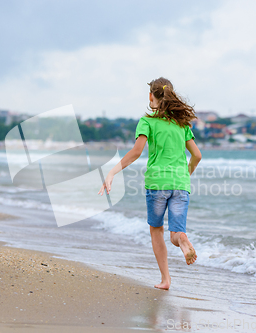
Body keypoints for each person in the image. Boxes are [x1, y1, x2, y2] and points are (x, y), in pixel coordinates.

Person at [98, 77, 202, 290]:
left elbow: (136, 152)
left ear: (150, 96)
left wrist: (112, 172)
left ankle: (166, 280)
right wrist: (186, 173)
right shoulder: (182, 125)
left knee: (156, 230)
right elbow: (197, 155)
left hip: (157, 184)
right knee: (176, 232)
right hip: (180, 184)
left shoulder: (147, 122)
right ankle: (182, 240)